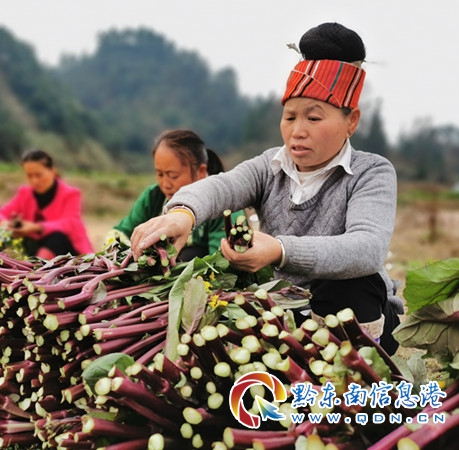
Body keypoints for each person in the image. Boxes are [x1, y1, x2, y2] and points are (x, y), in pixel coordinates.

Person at [130, 23, 404, 355]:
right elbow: (223, 186)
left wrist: (280, 250)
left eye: (313, 119)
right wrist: (182, 214)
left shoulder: (371, 172)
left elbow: (367, 249)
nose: (297, 131)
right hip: (286, 308)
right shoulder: (269, 165)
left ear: (352, 121)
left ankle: (360, 366)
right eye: (289, 118)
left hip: (358, 311)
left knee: (347, 286)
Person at [108, 129, 242, 261]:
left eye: (173, 176)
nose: (165, 184)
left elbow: (220, 261)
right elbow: (122, 232)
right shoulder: (153, 197)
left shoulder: (222, 205)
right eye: (160, 174)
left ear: (201, 172)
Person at [0, 149, 94, 259]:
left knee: (56, 238)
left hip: (70, 252)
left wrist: (37, 227)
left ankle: (38, 267)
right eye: (29, 176)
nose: (34, 181)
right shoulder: (25, 194)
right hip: (36, 249)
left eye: (39, 175)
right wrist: (4, 223)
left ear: (52, 171)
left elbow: (70, 223)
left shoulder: (71, 194)